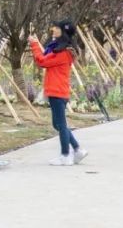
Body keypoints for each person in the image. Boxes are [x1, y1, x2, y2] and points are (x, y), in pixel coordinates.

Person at [29, 20, 88, 166]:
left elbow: (42, 61)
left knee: (60, 124)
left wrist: (34, 45)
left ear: (63, 32)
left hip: (57, 91)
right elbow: (46, 58)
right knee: (58, 124)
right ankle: (77, 149)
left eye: (56, 28)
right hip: (57, 90)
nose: (53, 30)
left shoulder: (63, 53)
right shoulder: (61, 50)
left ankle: (65, 155)